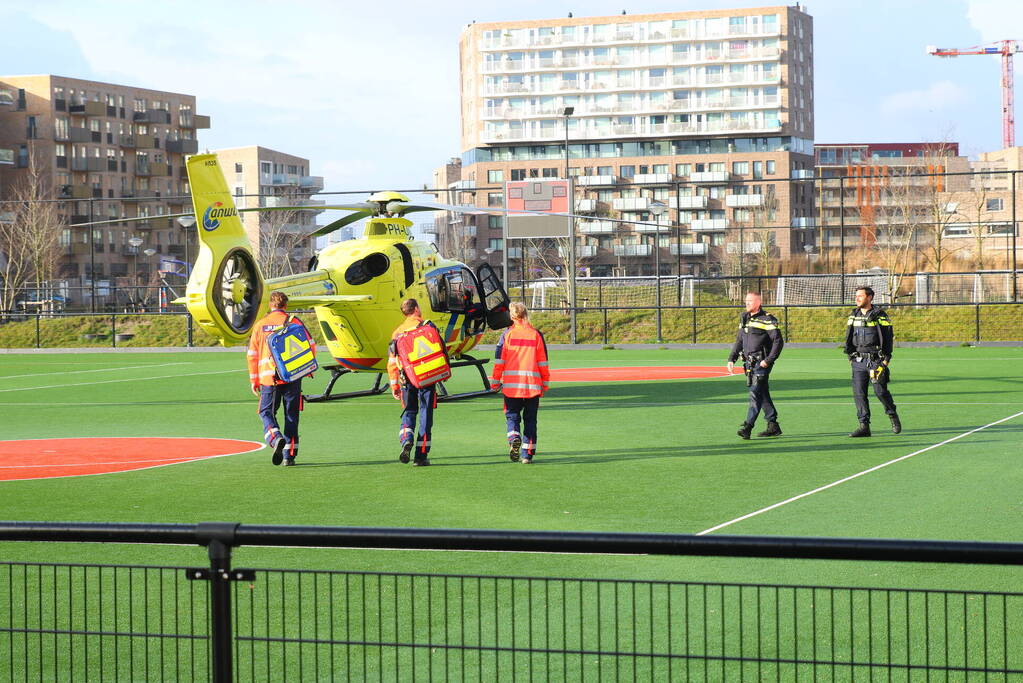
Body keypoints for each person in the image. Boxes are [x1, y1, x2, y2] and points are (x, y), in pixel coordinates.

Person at [247, 291, 313, 466]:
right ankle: (288, 456)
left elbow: (252, 355)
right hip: (292, 376)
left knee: (266, 411)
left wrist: (254, 380)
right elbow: (310, 346)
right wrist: (305, 369)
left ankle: (275, 437)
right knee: (291, 415)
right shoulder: (294, 322)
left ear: (270, 305)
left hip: (269, 377)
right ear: (286, 305)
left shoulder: (260, 325)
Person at [387, 298, 446, 466]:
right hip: (427, 378)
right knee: (426, 415)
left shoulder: (397, 333)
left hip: (407, 379)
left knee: (409, 411)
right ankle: (421, 456)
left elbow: (392, 362)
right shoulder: (428, 326)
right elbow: (441, 349)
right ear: (416, 309)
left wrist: (394, 384)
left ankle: (406, 439)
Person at [491, 302, 550, 463]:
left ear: (511, 316)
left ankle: (514, 437)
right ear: (525, 314)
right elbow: (543, 362)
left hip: (512, 387)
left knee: (512, 417)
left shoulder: (507, 335)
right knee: (530, 420)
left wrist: (495, 382)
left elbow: (499, 361)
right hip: (532, 386)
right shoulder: (535, 335)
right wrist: (545, 383)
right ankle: (527, 454)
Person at [844, 286, 901, 437]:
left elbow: (887, 338)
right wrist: (850, 356)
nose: (857, 298)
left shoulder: (880, 315)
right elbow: (848, 336)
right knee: (859, 394)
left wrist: (885, 361)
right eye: (856, 296)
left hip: (876, 361)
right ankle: (864, 426)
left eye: (860, 296)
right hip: (858, 361)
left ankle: (892, 414)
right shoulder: (854, 315)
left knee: (880, 392)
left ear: (869, 298)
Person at [727, 292, 784, 440]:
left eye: (750, 301)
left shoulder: (767, 319)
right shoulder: (744, 318)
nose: (747, 303)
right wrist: (732, 358)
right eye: (746, 301)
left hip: (761, 362)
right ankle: (773, 425)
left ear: (758, 302)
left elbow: (778, 341)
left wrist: (768, 360)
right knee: (762, 392)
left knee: (755, 393)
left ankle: (748, 427)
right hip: (749, 363)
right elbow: (739, 340)